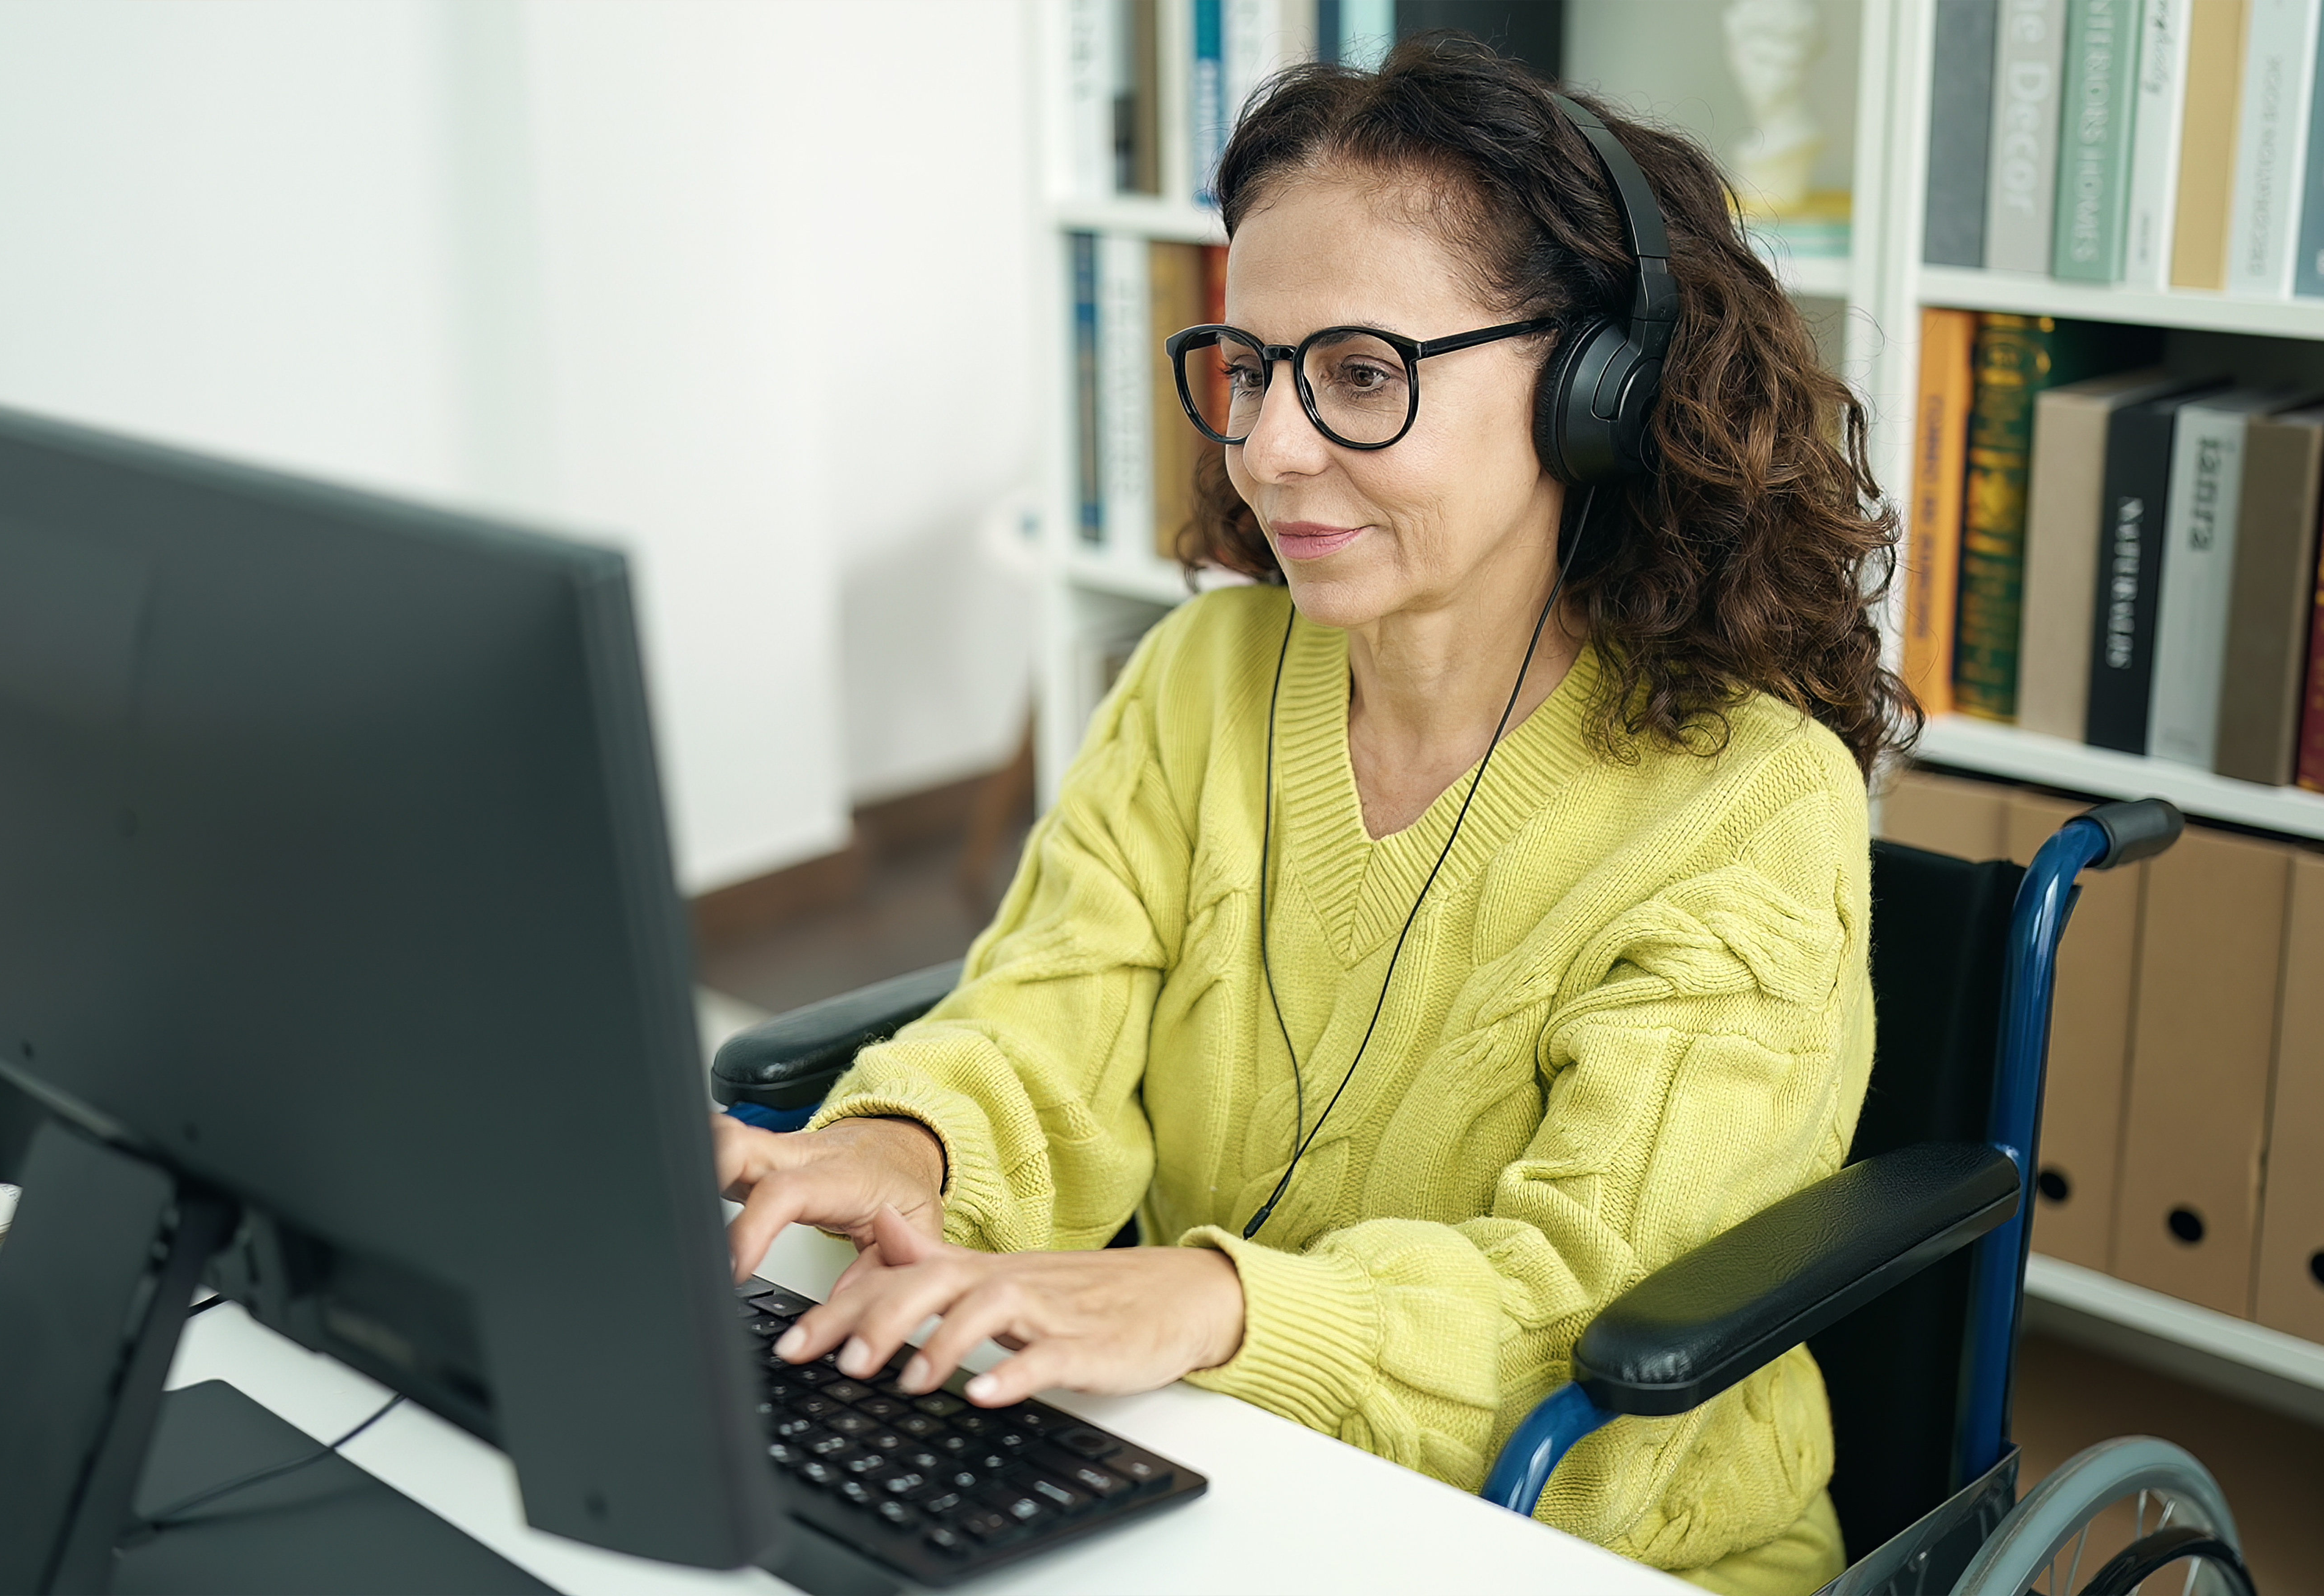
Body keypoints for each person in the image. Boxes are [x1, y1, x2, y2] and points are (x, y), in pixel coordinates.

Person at [713, 35, 1913, 1593]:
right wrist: (908, 1141)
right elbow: (1049, 1017)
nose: (1273, 446)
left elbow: (1590, 1303)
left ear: (1599, 391)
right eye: (1255, 367)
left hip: (1588, 1540)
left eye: (1361, 373)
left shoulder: (1745, 805)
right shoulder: (1202, 676)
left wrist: (1205, 1305)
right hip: (1212, 1456)